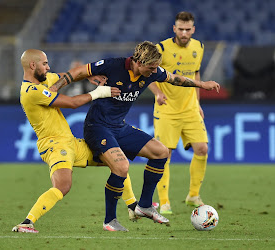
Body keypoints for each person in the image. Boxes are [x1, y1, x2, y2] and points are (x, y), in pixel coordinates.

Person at [83, 41, 220, 231]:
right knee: (122, 166)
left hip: (119, 127)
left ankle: (144, 206)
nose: (155, 71)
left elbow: (175, 79)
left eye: (156, 67)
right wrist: (58, 84)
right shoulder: (114, 65)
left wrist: (202, 84)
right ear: (139, 62)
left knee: (161, 151)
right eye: (151, 67)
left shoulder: (152, 72)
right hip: (97, 126)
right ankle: (109, 220)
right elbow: (77, 73)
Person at [12, 49, 120, 233]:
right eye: (44, 64)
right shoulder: (32, 91)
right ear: (32, 65)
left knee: (117, 159)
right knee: (63, 186)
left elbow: (64, 76)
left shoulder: (44, 80)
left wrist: (88, 75)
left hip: (71, 142)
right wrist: (98, 93)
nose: (48, 67)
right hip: (54, 145)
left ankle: (134, 206)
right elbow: (71, 103)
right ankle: (27, 222)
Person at [147, 11, 211, 214]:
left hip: (190, 108)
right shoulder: (161, 48)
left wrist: (198, 103)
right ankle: (164, 202)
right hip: (167, 110)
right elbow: (146, 73)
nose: (184, 33)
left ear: (193, 29)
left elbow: (196, 73)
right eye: (180, 29)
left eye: (188, 29)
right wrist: (157, 93)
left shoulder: (199, 46)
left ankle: (193, 195)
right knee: (164, 154)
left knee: (202, 149)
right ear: (174, 29)